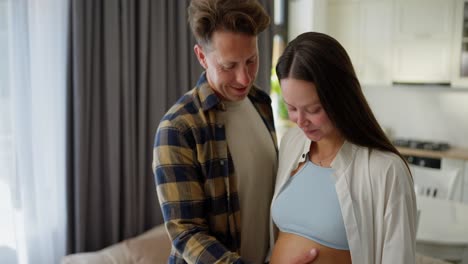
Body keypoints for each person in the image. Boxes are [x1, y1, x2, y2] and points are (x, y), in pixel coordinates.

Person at [153, 1, 321, 263]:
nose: (244, 78)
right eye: (229, 66)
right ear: (201, 56)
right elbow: (186, 233)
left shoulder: (261, 103)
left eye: (251, 60)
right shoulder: (178, 129)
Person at [268, 32, 418, 264]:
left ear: (340, 97)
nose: (300, 121)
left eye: (313, 109)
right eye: (292, 108)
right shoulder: (292, 143)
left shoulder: (385, 170)